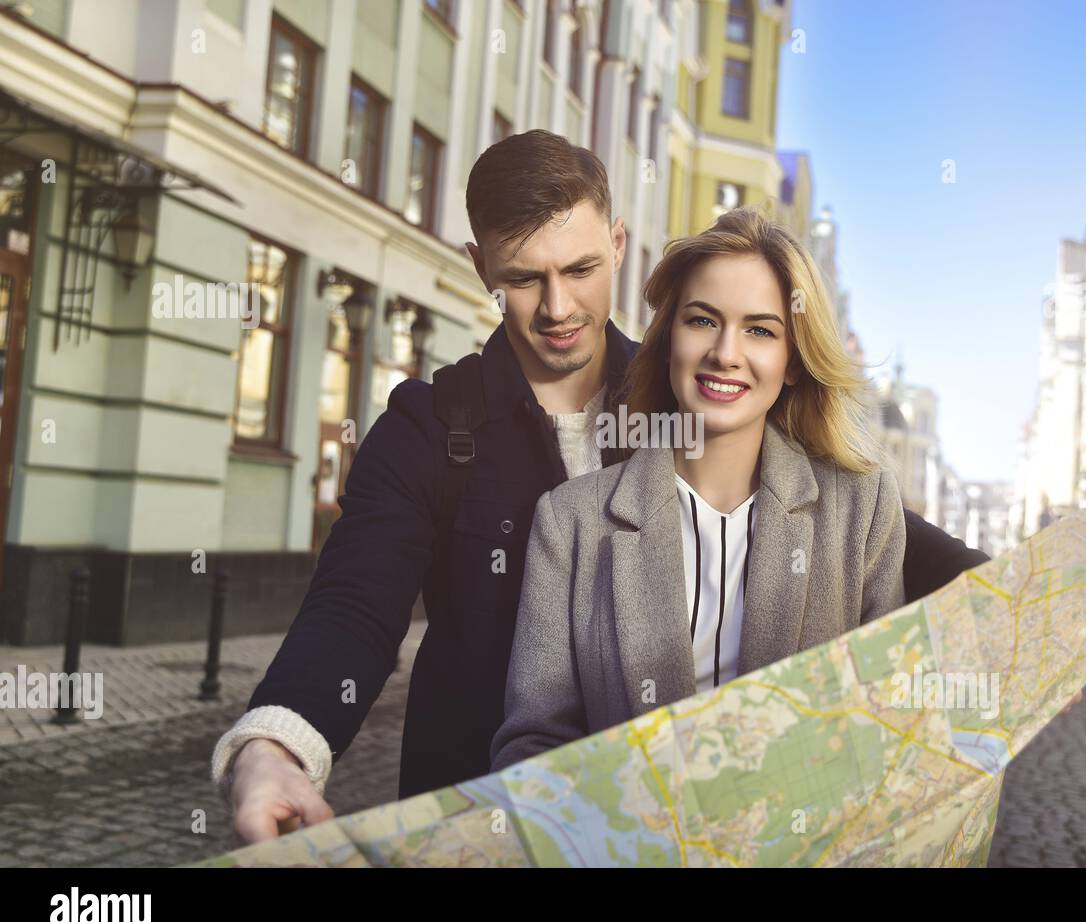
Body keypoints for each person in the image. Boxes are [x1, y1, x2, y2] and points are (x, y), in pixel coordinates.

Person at [211, 130, 990, 846]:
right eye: (523, 278)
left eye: (580, 270)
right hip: (495, 824)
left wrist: (1020, 595)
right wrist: (275, 746)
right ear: (481, 266)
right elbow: (353, 604)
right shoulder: (431, 429)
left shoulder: (693, 394)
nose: (557, 308)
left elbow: (848, 515)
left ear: (617, 246)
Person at [490, 208, 906, 768]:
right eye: (703, 321)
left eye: (760, 330)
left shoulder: (864, 507)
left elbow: (888, 723)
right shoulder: (571, 523)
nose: (725, 353)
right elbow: (533, 744)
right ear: (667, 343)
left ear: (792, 363)